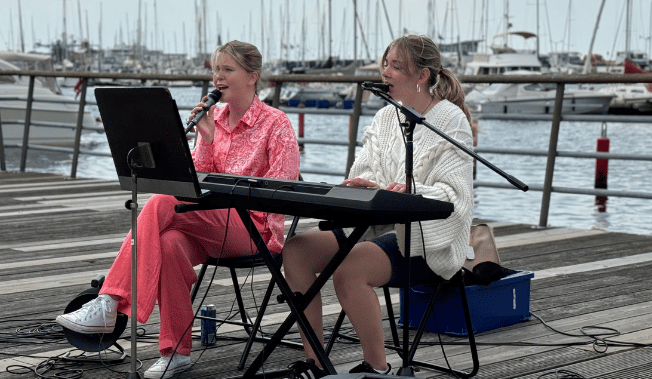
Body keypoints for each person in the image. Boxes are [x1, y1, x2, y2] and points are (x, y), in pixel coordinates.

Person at [56, 40, 300, 378]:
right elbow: (192, 182)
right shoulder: (212, 118)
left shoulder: (276, 123)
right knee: (169, 243)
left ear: (252, 76)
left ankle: (111, 300)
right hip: (211, 222)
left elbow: (280, 191)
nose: (218, 77)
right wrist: (207, 138)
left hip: (254, 228)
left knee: (161, 201)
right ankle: (175, 352)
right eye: (216, 70)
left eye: (227, 70)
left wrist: (230, 191)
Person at [282, 34, 475, 377]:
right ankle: (315, 363)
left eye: (396, 66)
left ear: (422, 75)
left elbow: (454, 196)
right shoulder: (386, 118)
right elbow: (363, 171)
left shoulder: (451, 121)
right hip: (374, 225)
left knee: (350, 269)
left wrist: (407, 189)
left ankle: (377, 367)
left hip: (425, 239)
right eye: (385, 63)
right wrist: (364, 184)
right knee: (296, 249)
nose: (385, 72)